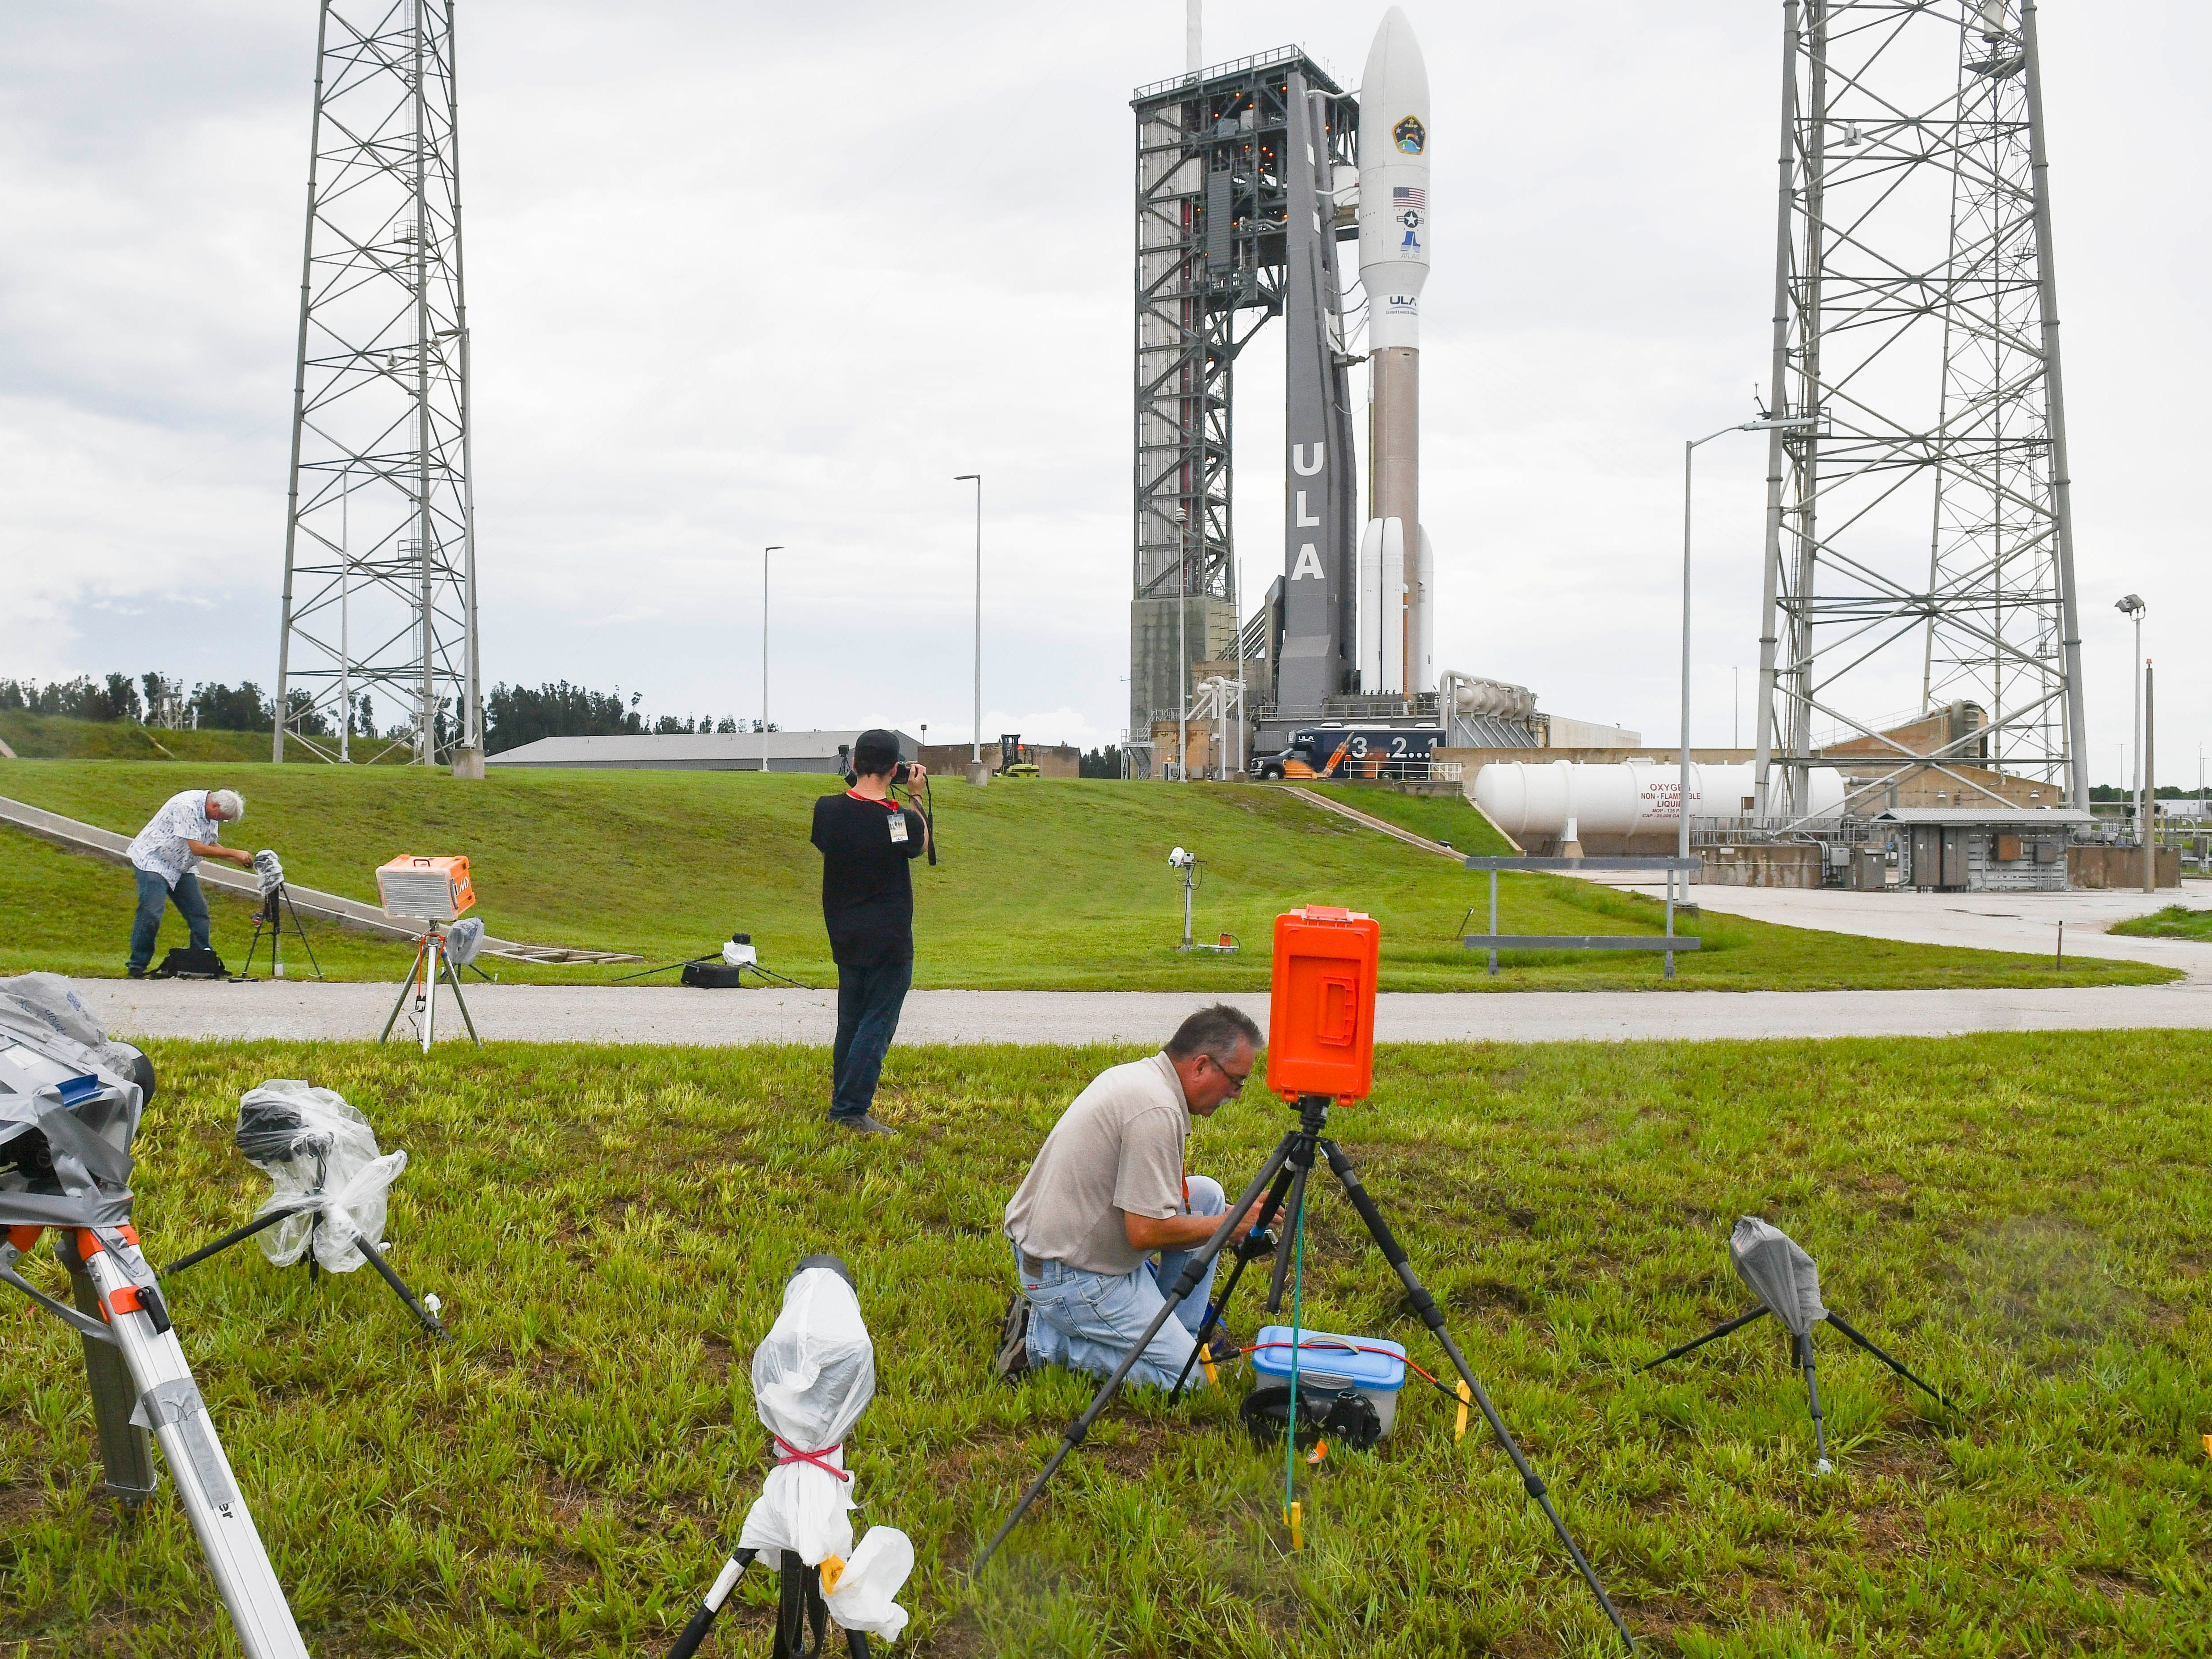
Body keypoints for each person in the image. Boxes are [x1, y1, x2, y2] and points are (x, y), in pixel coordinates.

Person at [997, 1003, 1263, 1388]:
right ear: (1202, 1065)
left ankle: (1180, 1336)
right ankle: (1041, 1342)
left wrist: (1228, 1217)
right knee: (1192, 1380)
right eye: (1237, 1082)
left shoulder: (1142, 1078)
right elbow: (1145, 1234)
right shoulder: (1155, 1109)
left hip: (1061, 1253)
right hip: (1071, 1278)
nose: (1237, 1095)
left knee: (1206, 1196)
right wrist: (1230, 1225)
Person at [809, 729, 930, 1135]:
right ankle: (849, 1110)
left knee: (851, 1021)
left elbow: (840, 827)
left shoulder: (826, 810)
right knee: (877, 1023)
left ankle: (842, 1102)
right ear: (896, 769)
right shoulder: (898, 818)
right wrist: (914, 796)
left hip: (844, 932)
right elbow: (921, 845)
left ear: (855, 763)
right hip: (889, 938)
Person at [125, 787, 251, 978]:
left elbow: (210, 844)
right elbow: (197, 848)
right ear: (215, 805)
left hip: (181, 864)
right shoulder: (186, 806)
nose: (221, 821)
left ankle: (201, 963)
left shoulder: (211, 814)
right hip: (154, 860)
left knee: (199, 913)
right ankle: (137, 965)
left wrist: (238, 861)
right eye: (223, 817)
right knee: (152, 912)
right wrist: (234, 852)